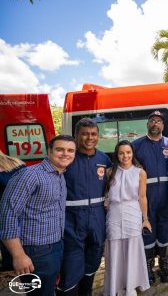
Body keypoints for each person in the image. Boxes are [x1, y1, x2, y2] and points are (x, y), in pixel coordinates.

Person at [0, 135, 76, 296]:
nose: (65, 154)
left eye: (70, 150)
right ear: (49, 151)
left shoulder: (59, 175)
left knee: (47, 290)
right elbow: (7, 215)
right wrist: (18, 255)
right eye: (59, 149)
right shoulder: (30, 175)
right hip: (34, 252)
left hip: (55, 246)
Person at [57, 118, 112, 296]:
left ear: (98, 136)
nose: (90, 137)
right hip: (71, 220)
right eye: (85, 134)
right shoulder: (67, 159)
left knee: (94, 258)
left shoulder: (104, 159)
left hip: (97, 218)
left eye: (93, 134)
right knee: (72, 263)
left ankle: (86, 291)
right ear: (76, 136)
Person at [103, 141, 151, 295]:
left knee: (132, 249)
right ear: (117, 155)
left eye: (128, 152)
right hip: (114, 213)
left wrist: (145, 219)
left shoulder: (140, 172)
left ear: (132, 153)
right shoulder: (110, 172)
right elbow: (105, 195)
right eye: (121, 153)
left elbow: (142, 197)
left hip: (133, 212)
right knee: (115, 250)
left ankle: (131, 287)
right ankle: (115, 287)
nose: (125, 156)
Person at [132, 110, 168, 284]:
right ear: (147, 124)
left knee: (164, 230)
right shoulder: (137, 145)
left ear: (163, 125)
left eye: (159, 121)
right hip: (145, 196)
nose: (155, 124)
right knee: (147, 230)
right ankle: (148, 267)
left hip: (166, 195)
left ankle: (164, 265)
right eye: (152, 121)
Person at [0, 151, 25, 271]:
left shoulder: (16, 163)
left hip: (7, 213)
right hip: (19, 211)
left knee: (8, 244)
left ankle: (10, 269)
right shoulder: (16, 162)